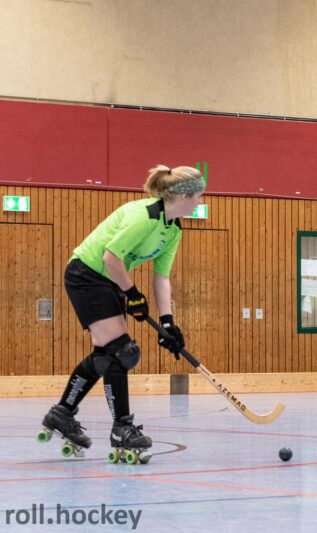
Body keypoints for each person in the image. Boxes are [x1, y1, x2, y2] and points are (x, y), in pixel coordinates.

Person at [39, 165, 205, 461]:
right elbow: (110, 257)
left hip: (110, 280)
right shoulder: (144, 216)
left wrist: (168, 323)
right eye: (198, 196)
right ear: (184, 196)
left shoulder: (173, 229)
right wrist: (132, 293)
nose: (200, 202)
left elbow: (161, 277)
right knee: (122, 351)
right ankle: (122, 428)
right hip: (87, 274)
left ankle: (62, 413)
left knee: (106, 355)